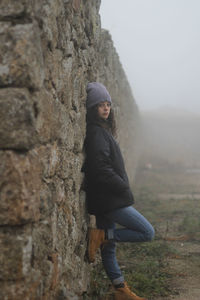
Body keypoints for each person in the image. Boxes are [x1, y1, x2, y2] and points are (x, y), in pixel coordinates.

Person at [82, 82, 155, 300]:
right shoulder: (96, 133)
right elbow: (101, 169)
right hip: (110, 199)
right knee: (147, 232)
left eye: (108, 105)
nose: (106, 109)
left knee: (110, 248)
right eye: (100, 105)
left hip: (106, 198)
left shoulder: (101, 131)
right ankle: (101, 235)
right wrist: (122, 185)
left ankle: (119, 289)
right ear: (92, 108)